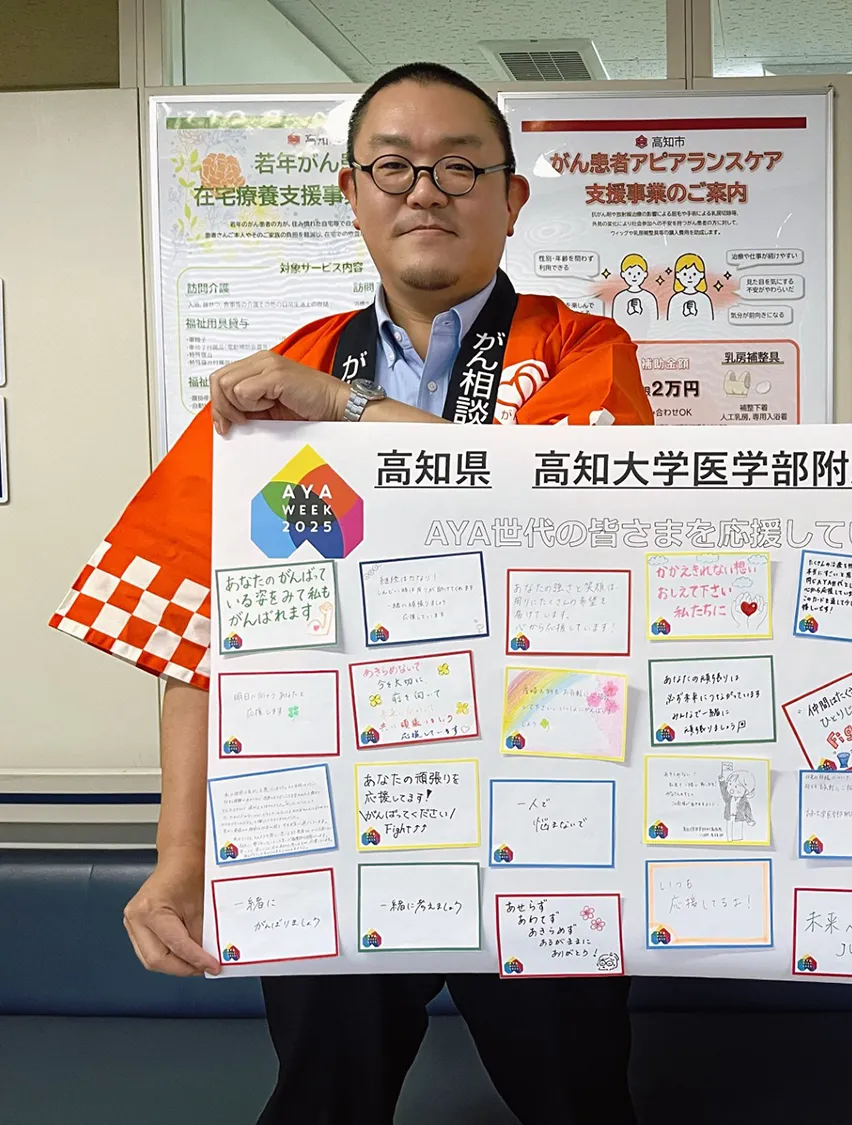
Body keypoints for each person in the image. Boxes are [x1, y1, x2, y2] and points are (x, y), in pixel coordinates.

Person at [48, 62, 652, 1125]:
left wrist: (344, 408)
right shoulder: (279, 379)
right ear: (352, 195)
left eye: (460, 167)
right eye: (394, 167)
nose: (426, 191)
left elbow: (551, 501)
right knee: (321, 1099)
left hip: (547, 809)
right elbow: (201, 629)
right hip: (333, 817)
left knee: (580, 1099)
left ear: (512, 198)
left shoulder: (579, 349)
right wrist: (180, 860)